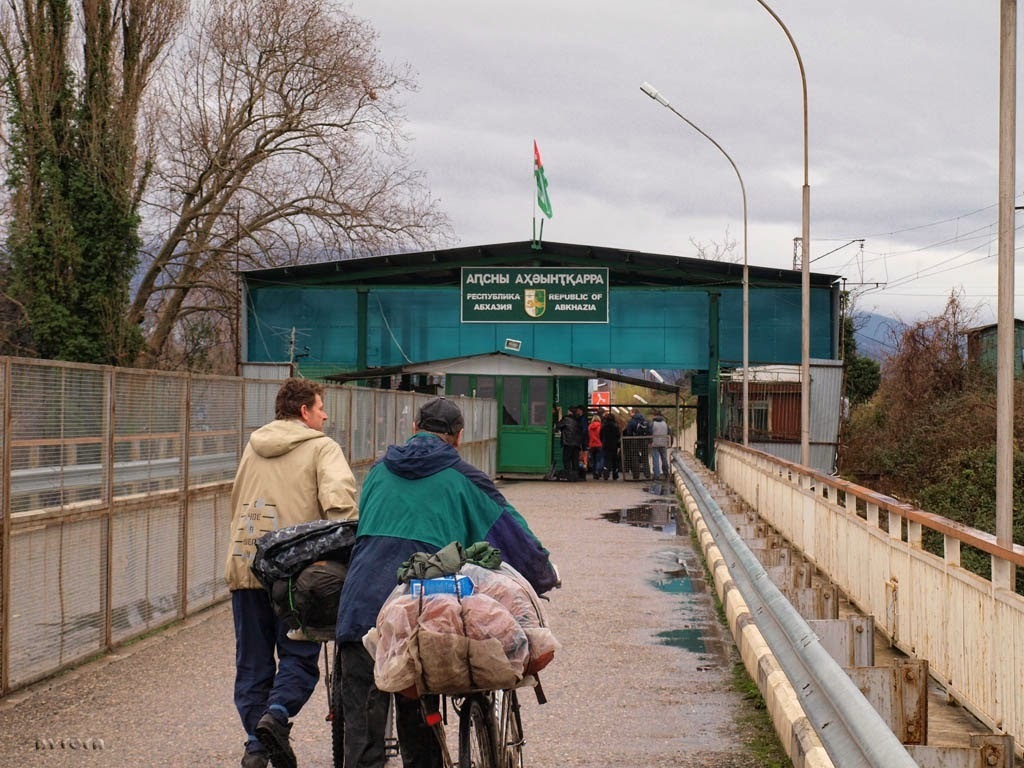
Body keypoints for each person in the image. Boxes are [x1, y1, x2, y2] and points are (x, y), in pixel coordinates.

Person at [336, 396, 559, 768]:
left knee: (361, 737)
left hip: (361, 607)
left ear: (413, 430)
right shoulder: (464, 478)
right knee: (420, 701)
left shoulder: (377, 472)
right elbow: (510, 533)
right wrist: (542, 575)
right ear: (457, 437)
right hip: (418, 610)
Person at [225, 378, 359, 768]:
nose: (325, 415)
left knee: (252, 663)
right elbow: (340, 509)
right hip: (295, 577)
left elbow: (236, 501)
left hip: (245, 567)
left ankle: (256, 744)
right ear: (304, 412)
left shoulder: (252, 448)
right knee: (299, 656)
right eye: (321, 408)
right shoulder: (322, 448)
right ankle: (277, 716)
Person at [555, 404, 586, 481]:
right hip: (577, 443)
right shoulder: (579, 420)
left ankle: (568, 474)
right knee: (575, 459)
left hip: (568, 442)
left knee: (566, 459)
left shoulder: (566, 419)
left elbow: (558, 426)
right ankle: (575, 476)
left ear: (570, 412)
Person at [623, 408, 651, 480]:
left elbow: (629, 432)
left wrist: (629, 440)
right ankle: (647, 474)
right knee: (645, 457)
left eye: (630, 412)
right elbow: (649, 430)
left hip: (635, 440)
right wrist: (649, 440)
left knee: (635, 457)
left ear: (633, 413)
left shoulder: (632, 421)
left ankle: (636, 475)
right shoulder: (645, 420)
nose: (630, 414)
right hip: (644, 440)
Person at [649, 410, 673, 480]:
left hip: (654, 444)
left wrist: (649, 442)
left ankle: (657, 475)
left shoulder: (652, 424)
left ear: (654, 416)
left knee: (655, 459)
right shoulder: (665, 424)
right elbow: (670, 433)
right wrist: (670, 443)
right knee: (664, 459)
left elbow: (649, 433)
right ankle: (666, 473)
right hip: (663, 444)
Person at [599, 411, 621, 480]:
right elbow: (618, 436)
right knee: (615, 461)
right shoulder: (616, 426)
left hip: (606, 445)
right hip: (614, 445)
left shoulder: (604, 426)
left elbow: (600, 435)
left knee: (607, 461)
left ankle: (606, 474)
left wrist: (603, 441)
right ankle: (615, 474)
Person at [587, 414, 604, 479]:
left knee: (593, 460)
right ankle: (598, 471)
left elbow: (588, 436)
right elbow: (601, 435)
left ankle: (594, 473)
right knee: (599, 459)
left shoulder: (589, 426)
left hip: (591, 445)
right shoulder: (601, 426)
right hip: (599, 444)